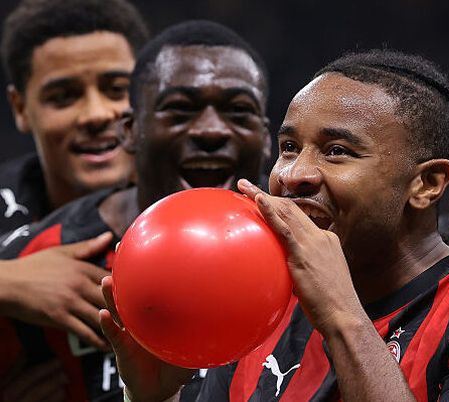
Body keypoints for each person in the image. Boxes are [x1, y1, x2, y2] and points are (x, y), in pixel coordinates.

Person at [101, 49, 449, 402]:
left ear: (427, 184)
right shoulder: (262, 303)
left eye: (337, 152)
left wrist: (342, 316)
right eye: (289, 147)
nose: (293, 174)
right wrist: (152, 399)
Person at [0, 20, 271, 401]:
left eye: (238, 112)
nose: (212, 130)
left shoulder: (312, 263)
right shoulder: (36, 263)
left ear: (267, 139)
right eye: (180, 110)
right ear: (128, 131)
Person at [0, 0, 149, 352]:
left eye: (116, 89)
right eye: (64, 97)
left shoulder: (198, 194)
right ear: (21, 108)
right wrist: (9, 281)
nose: (96, 114)